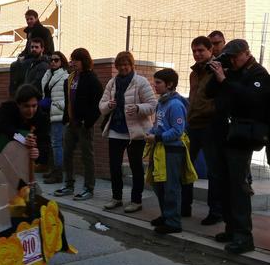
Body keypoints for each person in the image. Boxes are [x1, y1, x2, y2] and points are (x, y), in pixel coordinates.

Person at [206, 39, 270, 254]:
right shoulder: (230, 71)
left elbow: (252, 100)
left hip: (242, 136)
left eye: (234, 57)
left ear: (246, 53)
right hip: (223, 132)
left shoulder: (259, 74)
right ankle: (231, 229)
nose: (232, 61)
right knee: (223, 183)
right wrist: (217, 72)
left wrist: (225, 80)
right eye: (229, 57)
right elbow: (209, 92)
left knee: (238, 186)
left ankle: (244, 237)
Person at [99, 51, 157, 212]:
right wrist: (108, 105)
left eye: (126, 64)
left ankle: (136, 201)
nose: (123, 68)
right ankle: (116, 198)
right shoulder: (112, 82)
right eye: (120, 65)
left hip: (136, 132)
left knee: (136, 167)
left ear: (132, 65)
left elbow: (153, 105)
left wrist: (138, 108)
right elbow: (102, 106)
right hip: (116, 130)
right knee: (114, 167)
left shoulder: (141, 82)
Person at [180, 36, 222, 224]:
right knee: (185, 166)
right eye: (194, 51)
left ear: (210, 50)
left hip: (211, 125)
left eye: (201, 50)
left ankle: (216, 212)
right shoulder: (194, 73)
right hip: (193, 124)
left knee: (214, 171)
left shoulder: (217, 69)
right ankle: (184, 206)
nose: (197, 54)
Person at [145, 68, 191, 235]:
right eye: (154, 82)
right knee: (158, 184)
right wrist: (150, 133)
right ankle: (166, 215)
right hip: (160, 149)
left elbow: (178, 131)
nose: (154, 85)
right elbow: (158, 125)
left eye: (158, 83)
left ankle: (173, 222)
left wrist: (157, 138)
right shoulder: (161, 103)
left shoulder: (176, 105)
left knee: (171, 186)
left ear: (169, 84)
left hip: (172, 151)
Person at [54, 48, 103, 201]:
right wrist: (66, 119)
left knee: (87, 156)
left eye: (77, 60)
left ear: (84, 61)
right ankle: (69, 185)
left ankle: (89, 188)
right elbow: (68, 101)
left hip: (84, 125)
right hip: (71, 123)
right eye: (72, 59)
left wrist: (87, 122)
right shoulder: (70, 78)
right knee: (67, 154)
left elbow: (98, 104)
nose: (73, 62)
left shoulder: (92, 79)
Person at [0, 84, 50, 177]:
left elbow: (43, 140)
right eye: (26, 106)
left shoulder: (41, 118)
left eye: (34, 106)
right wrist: (23, 139)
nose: (31, 111)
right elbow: (4, 127)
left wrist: (38, 152)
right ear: (18, 104)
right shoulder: (6, 110)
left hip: (21, 163)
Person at [40, 51, 70, 184]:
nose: (53, 62)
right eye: (51, 60)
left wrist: (56, 104)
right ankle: (53, 169)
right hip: (49, 113)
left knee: (57, 144)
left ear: (62, 61)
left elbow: (67, 98)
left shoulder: (65, 76)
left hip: (58, 114)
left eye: (56, 60)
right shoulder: (48, 75)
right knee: (53, 143)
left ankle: (58, 174)